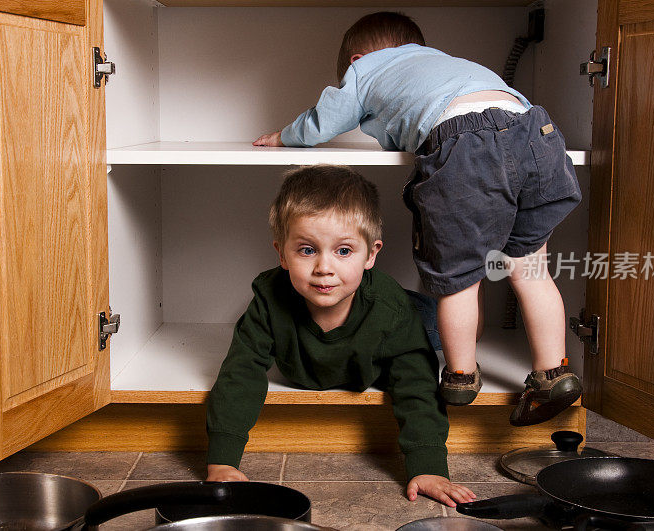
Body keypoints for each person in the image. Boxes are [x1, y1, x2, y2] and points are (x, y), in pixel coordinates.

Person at [253, 12, 583, 426]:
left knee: (460, 277)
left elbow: (326, 120)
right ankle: (554, 374)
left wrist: (284, 135)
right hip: (537, 133)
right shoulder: (443, 63)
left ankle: (461, 375)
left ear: (357, 59)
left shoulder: (367, 69)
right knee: (531, 270)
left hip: (468, 145)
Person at [206, 165, 476, 507]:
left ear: (372, 254)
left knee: (445, 324)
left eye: (343, 251)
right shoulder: (269, 299)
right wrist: (222, 461)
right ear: (281, 253)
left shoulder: (390, 310)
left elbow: (417, 383)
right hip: (365, 324)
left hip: (408, 313)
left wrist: (428, 466)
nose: (324, 268)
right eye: (307, 250)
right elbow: (240, 374)